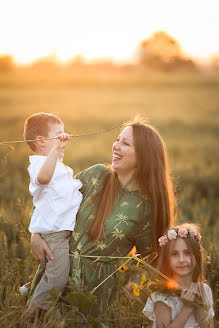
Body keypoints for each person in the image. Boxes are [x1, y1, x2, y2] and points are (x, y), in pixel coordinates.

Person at [29, 119, 176, 314]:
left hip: (93, 294)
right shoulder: (96, 175)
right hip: (55, 272)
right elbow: (52, 198)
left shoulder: (144, 208)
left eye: (126, 143)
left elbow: (152, 260)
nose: (115, 146)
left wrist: (132, 290)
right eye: (117, 140)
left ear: (144, 155)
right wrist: (36, 235)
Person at [23, 112, 83, 311]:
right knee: (57, 278)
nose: (63, 137)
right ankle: (32, 314)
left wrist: (58, 150)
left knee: (56, 272)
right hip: (55, 234)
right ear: (40, 141)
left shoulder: (54, 161)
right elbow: (44, 178)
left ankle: (25, 292)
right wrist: (56, 149)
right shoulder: (38, 165)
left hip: (63, 231)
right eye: (58, 134)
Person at [143, 223, 215, 328]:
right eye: (174, 254)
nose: (181, 260)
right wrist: (187, 308)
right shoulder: (162, 294)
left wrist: (200, 311)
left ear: (197, 255)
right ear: (167, 259)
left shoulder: (204, 289)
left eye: (187, 253)